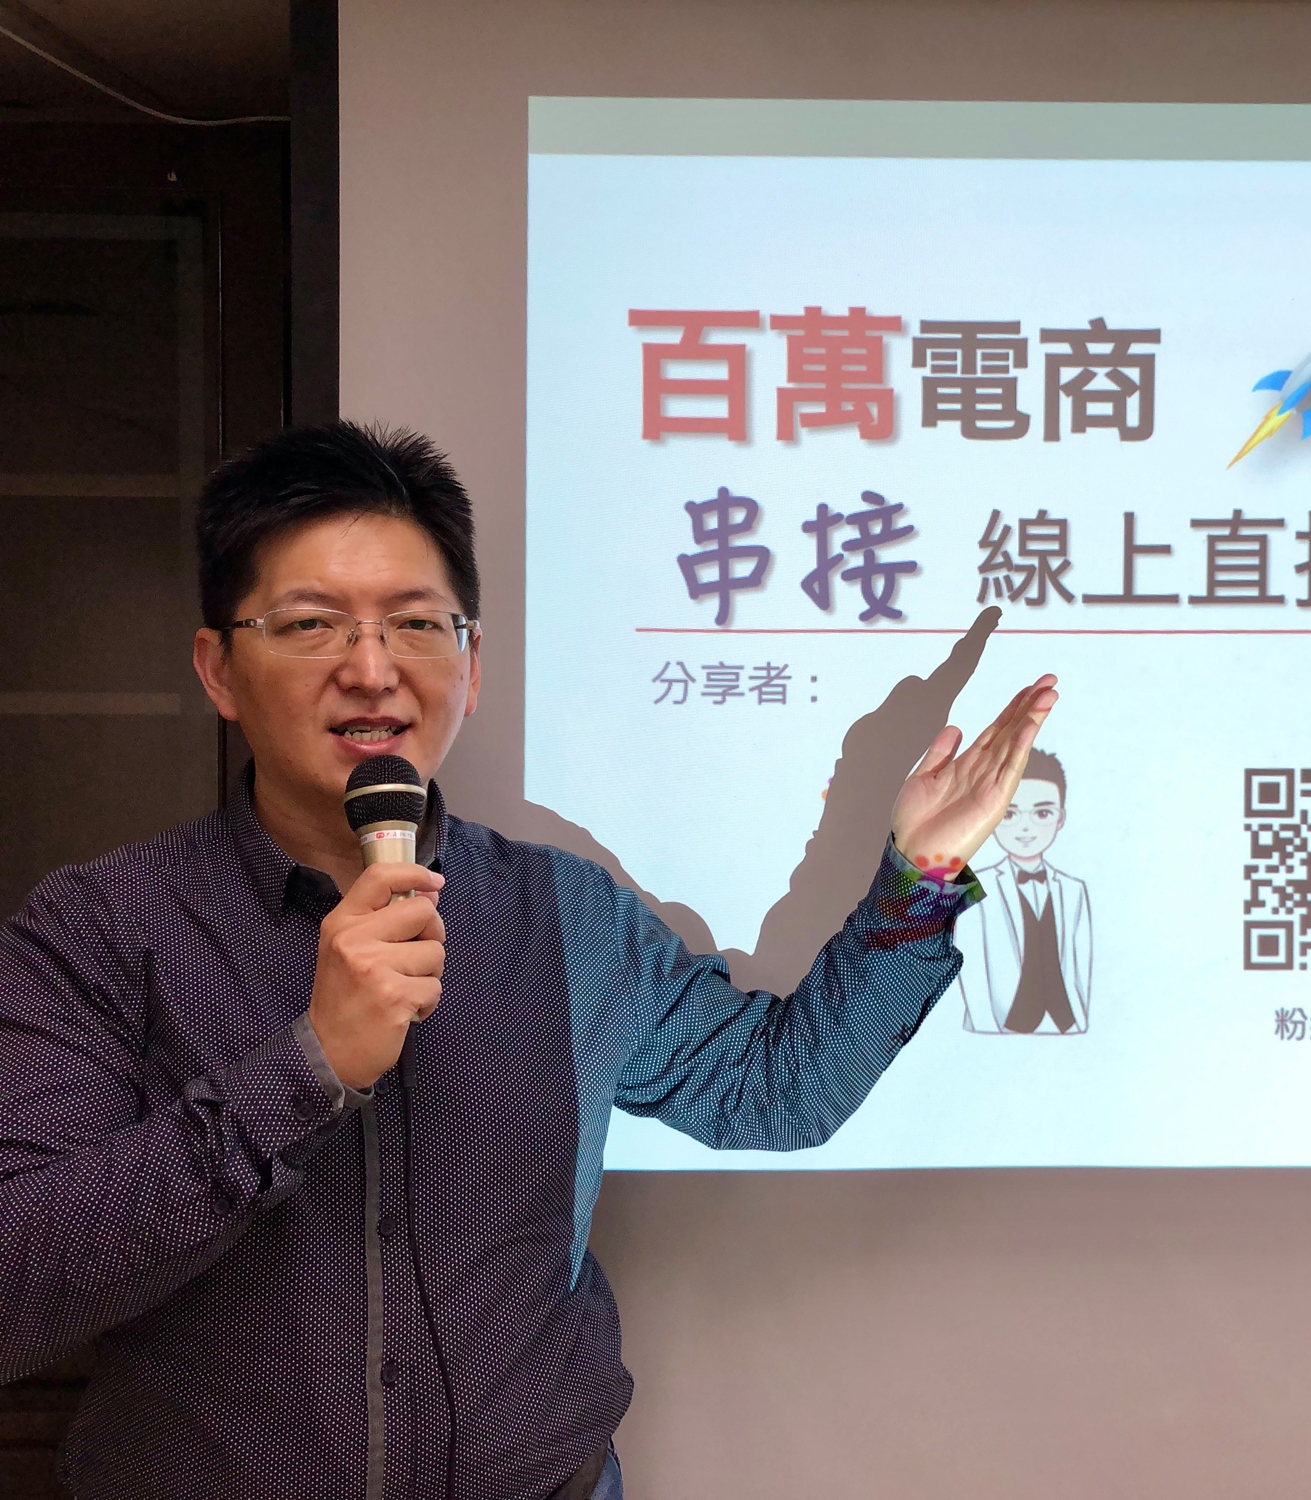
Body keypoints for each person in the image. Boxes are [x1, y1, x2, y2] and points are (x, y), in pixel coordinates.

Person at [0, 422, 1057, 1500]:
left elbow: (777, 1091)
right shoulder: (104, 928)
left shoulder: (568, 915)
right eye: (311, 624)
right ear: (218, 669)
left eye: (417, 624)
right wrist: (306, 1068)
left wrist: (917, 880)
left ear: (472, 668)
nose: (372, 670)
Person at [955, 748, 1093, 1035]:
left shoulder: (1074, 889)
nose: (1026, 827)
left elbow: (1081, 965)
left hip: (1067, 1026)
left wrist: (1081, 1023)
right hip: (999, 1025)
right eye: (1009, 814)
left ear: (1061, 818)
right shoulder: (974, 885)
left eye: (1042, 813)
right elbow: (971, 966)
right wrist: (986, 1030)